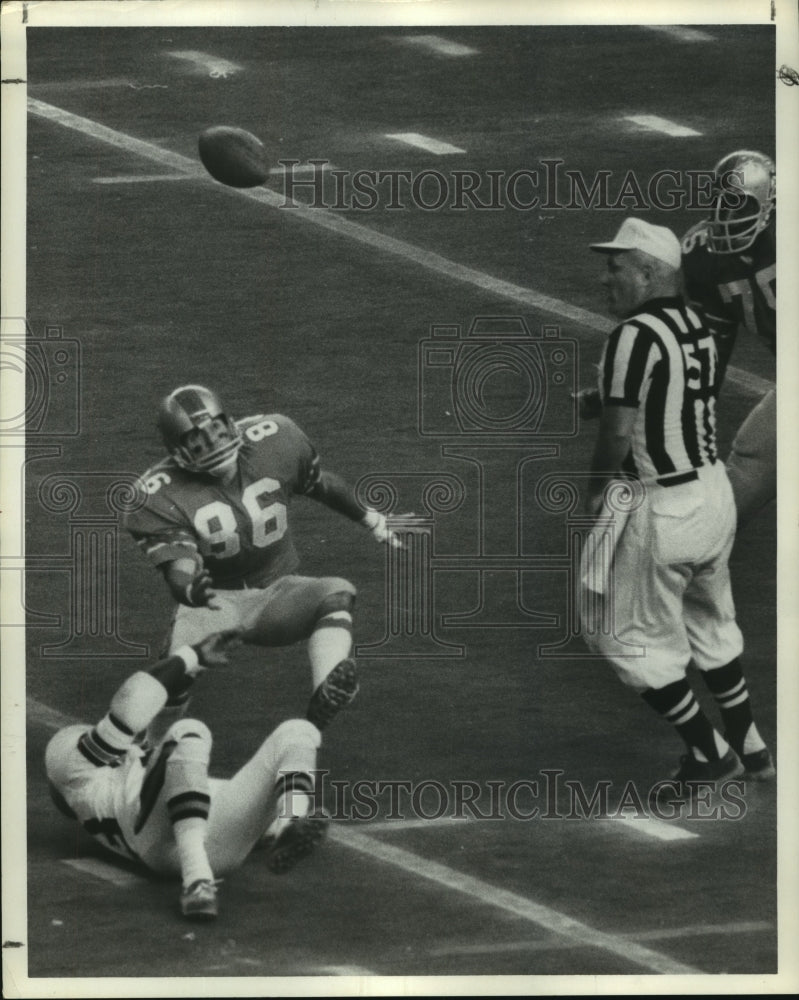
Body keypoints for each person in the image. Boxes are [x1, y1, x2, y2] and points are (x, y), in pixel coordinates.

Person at [580, 217, 774, 804]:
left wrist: (595, 490)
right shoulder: (696, 324)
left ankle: (707, 753)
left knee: (617, 633)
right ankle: (750, 745)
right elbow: (682, 392)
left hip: (662, 505)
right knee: (711, 622)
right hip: (714, 496)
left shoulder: (631, 336)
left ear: (648, 271)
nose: (604, 277)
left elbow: (618, 434)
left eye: (616, 266)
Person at [124, 385, 406, 730]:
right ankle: (150, 748)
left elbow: (320, 484)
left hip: (277, 592)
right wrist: (188, 590)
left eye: (216, 430)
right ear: (177, 450)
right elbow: (179, 568)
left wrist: (372, 519)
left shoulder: (275, 439)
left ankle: (326, 691)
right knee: (175, 673)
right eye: (198, 440)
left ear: (230, 423)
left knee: (338, 593)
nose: (214, 444)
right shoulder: (156, 494)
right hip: (216, 603)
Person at [45, 631, 329, 921]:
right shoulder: (80, 774)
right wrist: (191, 655)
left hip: (212, 848)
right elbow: (130, 705)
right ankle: (197, 882)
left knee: (299, 731)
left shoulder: (114, 773)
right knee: (189, 732)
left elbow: (164, 708)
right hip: (159, 846)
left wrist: (187, 667)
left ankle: (289, 823)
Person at [681, 149, 776, 529]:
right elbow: (712, 349)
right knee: (753, 458)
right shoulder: (707, 255)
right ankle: (698, 547)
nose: (727, 215)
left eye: (738, 204)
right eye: (722, 202)